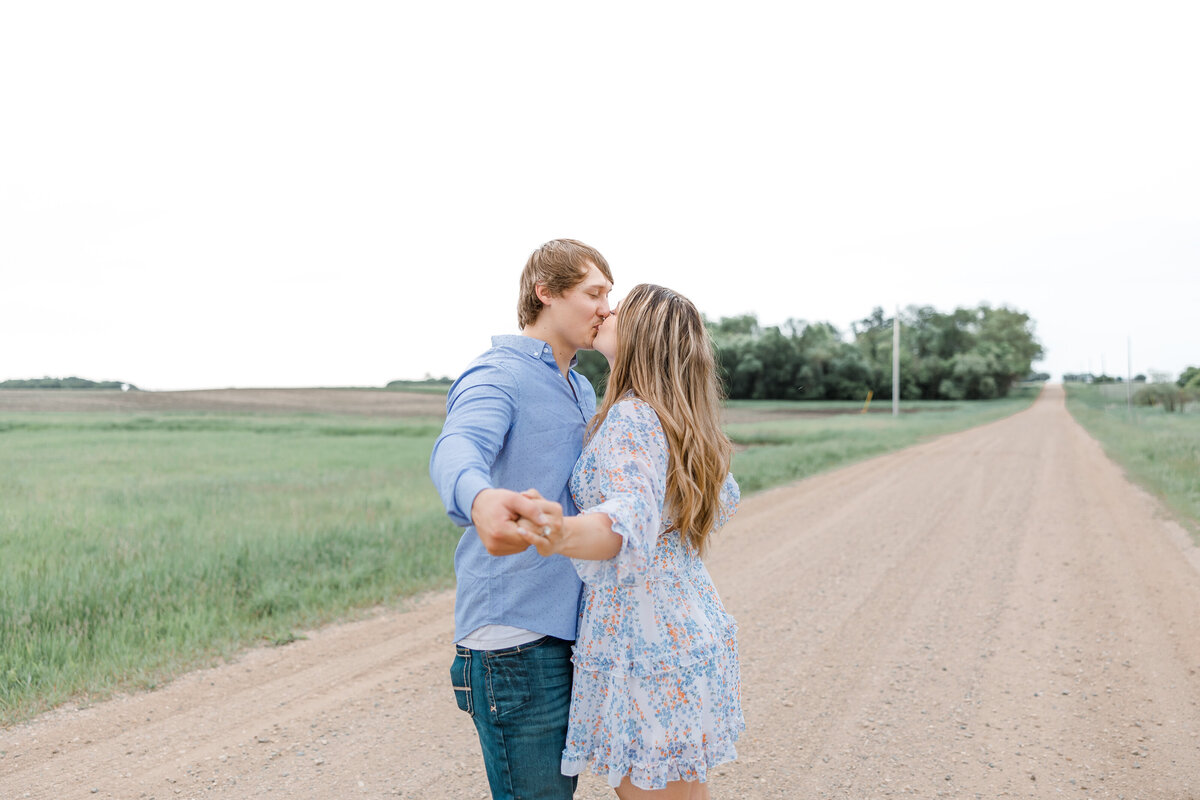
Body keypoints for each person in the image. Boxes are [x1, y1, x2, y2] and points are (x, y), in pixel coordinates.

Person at [515, 283, 744, 799]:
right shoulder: (682, 418)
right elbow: (714, 502)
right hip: (683, 618)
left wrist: (559, 532)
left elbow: (629, 522)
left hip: (645, 638)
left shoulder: (632, 418)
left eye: (617, 310)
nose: (604, 313)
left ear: (641, 335)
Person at [428, 239, 614, 800]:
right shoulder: (497, 374)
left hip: (568, 629)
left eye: (609, 293)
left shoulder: (580, 385)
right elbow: (457, 445)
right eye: (594, 292)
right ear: (546, 293)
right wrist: (480, 498)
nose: (607, 306)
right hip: (517, 638)